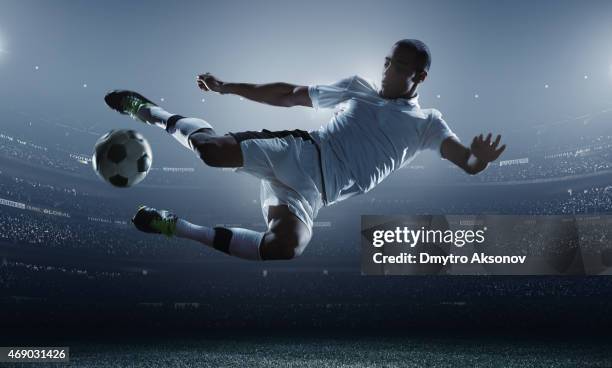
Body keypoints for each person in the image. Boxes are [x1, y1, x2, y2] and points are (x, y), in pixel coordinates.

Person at [104, 39, 506, 261]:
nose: (388, 70)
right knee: (211, 151)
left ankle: (175, 227)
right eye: (388, 62)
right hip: (299, 153)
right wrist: (227, 86)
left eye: (399, 67)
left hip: (313, 195)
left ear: (420, 77)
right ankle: (149, 111)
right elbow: (289, 95)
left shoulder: (428, 124)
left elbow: (466, 162)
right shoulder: (357, 89)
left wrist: (479, 160)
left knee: (284, 248)